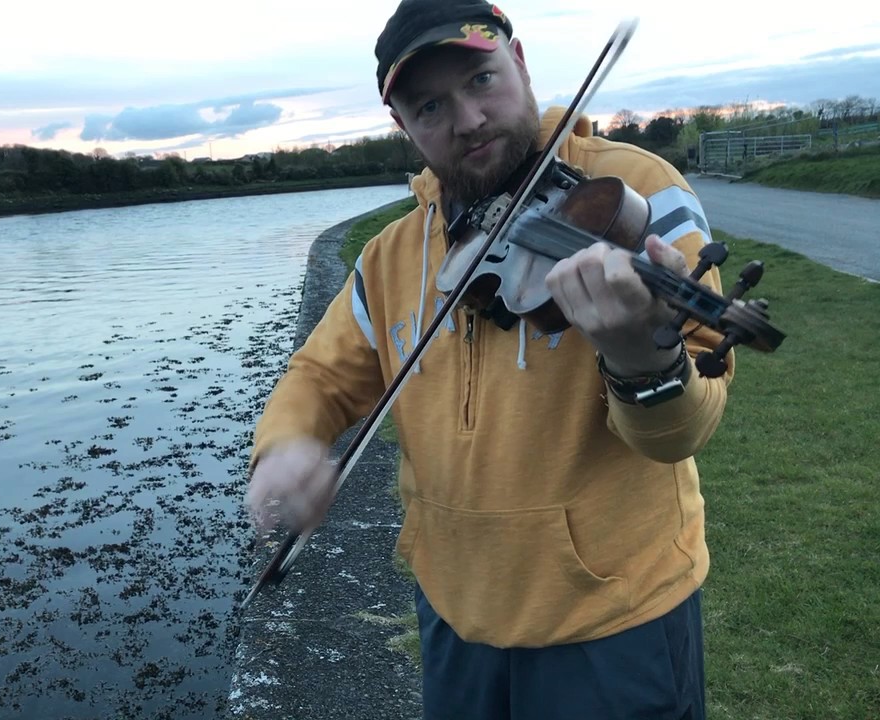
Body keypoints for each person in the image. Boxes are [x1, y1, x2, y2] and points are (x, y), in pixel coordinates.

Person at [244, 1, 734, 718]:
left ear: (522, 63)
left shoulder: (637, 191)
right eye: (430, 105)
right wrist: (285, 447)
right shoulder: (392, 256)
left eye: (481, 79)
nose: (468, 118)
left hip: (615, 619)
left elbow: (685, 432)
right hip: (455, 615)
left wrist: (639, 361)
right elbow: (319, 375)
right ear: (403, 127)